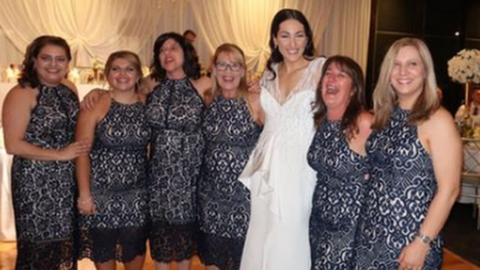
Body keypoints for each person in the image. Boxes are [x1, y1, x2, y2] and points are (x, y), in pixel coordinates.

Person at [353, 37, 461, 270]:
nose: (403, 71)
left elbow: (449, 190)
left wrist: (422, 243)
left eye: (412, 64)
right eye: (396, 64)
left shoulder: (437, 119)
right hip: (370, 235)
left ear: (425, 72)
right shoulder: (384, 116)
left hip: (410, 241)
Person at [239, 8, 326, 270]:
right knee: (262, 230)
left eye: (299, 36)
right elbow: (266, 121)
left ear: (307, 39)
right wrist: (253, 99)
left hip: (301, 165)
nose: (293, 43)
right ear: (275, 39)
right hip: (266, 163)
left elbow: (334, 113)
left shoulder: (320, 68)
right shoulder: (268, 73)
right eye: (285, 36)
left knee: (291, 230)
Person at [2, 35, 90, 269]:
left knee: (63, 246)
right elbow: (13, 144)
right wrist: (60, 154)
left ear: (68, 63)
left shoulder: (69, 88)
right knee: (39, 248)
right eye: (46, 58)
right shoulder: (22, 93)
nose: (54, 64)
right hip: (35, 181)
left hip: (66, 180)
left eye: (60, 59)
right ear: (33, 60)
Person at [75, 51, 151, 270]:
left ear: (138, 74)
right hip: (101, 195)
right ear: (107, 74)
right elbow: (82, 152)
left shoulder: (148, 104)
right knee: (104, 256)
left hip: (137, 195)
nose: (122, 74)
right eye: (116, 69)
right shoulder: (96, 104)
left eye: (129, 69)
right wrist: (84, 194)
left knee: (134, 256)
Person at [146, 32, 211, 270]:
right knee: (160, 233)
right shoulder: (150, 83)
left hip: (190, 173)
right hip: (158, 173)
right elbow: (119, 91)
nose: (167, 53)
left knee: (185, 235)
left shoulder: (204, 84)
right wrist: (96, 93)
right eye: (162, 50)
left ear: (186, 52)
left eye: (173, 48)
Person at [198, 43, 263, 270]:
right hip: (210, 194)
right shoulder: (208, 98)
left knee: (241, 260)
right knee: (213, 260)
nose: (228, 72)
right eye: (222, 65)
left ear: (243, 71)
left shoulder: (254, 100)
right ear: (213, 69)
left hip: (243, 198)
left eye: (234, 66)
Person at [307, 56, 372, 270]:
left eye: (341, 75)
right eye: (328, 73)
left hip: (351, 227)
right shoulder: (322, 122)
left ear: (353, 89)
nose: (331, 79)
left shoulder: (363, 122)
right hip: (319, 220)